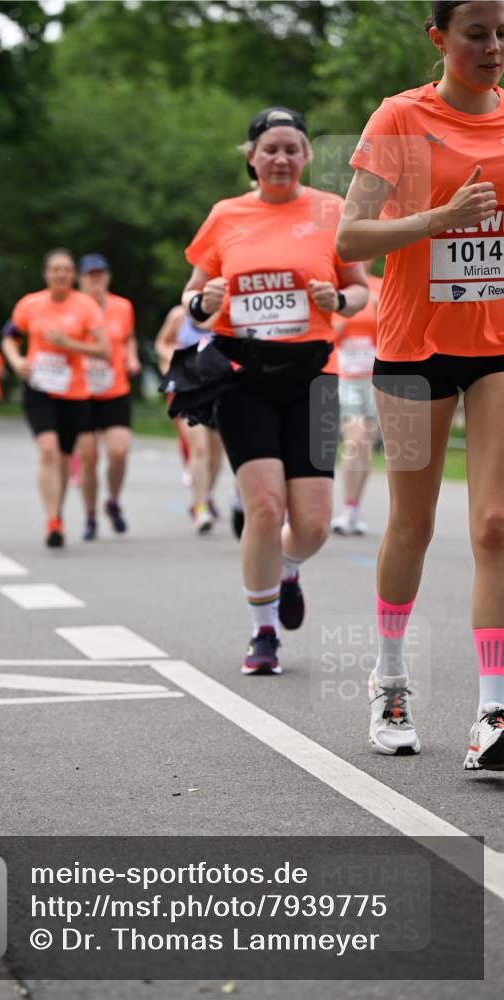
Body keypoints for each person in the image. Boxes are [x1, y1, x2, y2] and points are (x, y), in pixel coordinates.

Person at [337, 0, 504, 768]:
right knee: (412, 522)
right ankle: (391, 679)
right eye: (476, 34)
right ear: (438, 37)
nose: (493, 47)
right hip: (411, 349)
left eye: (503, 33)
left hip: (495, 346)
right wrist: (438, 217)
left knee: (495, 525)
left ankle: (493, 711)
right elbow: (350, 239)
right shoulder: (400, 118)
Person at [182, 106, 368, 675]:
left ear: (306, 156)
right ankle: (263, 633)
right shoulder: (225, 216)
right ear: (251, 157)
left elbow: (359, 291)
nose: (281, 158)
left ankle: (287, 567)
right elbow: (191, 296)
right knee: (263, 505)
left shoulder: (332, 211)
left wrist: (337, 302)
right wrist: (203, 303)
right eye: (270, 149)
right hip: (242, 377)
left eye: (292, 148)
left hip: (313, 377)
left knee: (312, 522)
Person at [1, 249, 110, 548]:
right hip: (39, 386)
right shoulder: (30, 304)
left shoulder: (86, 307)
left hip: (74, 390)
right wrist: (15, 360)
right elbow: (9, 336)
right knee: (47, 451)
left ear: (73, 275)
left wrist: (69, 344)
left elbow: (105, 350)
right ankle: (52, 520)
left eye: (66, 270)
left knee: (63, 458)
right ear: (46, 273)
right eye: (55, 269)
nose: (60, 274)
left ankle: (58, 511)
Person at [76, 254, 140, 540]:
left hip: (115, 389)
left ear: (108, 277)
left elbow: (128, 337)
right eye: (90, 275)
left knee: (119, 451)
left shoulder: (123, 307)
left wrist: (133, 357)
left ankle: (112, 500)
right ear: (81, 279)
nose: (96, 279)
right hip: (81, 391)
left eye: (100, 274)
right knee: (89, 458)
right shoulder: (73, 308)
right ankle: (89, 515)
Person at [155, 305, 223, 533]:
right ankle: (201, 507)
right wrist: (173, 358)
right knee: (200, 448)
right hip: (186, 389)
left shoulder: (226, 313)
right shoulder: (179, 314)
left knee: (216, 452)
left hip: (217, 388)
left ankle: (206, 494)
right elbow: (161, 343)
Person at [331, 264, 383, 536]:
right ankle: (345, 510)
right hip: (345, 376)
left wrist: (379, 313)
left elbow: (395, 332)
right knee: (355, 439)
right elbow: (321, 333)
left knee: (366, 445)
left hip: (374, 377)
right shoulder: (336, 288)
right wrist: (336, 329)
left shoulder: (380, 286)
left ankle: (353, 507)